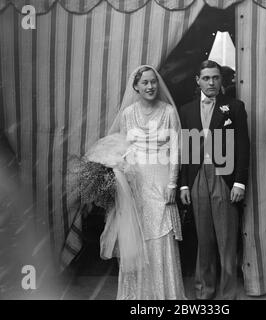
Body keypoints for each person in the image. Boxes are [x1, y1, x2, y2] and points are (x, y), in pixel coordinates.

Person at [84, 65, 185, 300]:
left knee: (160, 234)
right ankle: (138, 296)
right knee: (137, 235)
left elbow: (176, 150)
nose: (150, 86)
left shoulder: (168, 111)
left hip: (160, 182)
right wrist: (119, 174)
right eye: (145, 83)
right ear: (136, 87)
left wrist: (172, 184)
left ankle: (165, 295)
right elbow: (124, 147)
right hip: (135, 183)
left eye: (153, 82)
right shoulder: (128, 113)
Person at [179, 60, 250, 299]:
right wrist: (185, 183)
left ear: (222, 80)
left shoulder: (235, 107)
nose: (211, 82)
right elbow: (187, 148)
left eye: (215, 77)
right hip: (198, 175)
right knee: (204, 239)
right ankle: (204, 293)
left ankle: (228, 295)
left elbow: (242, 147)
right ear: (197, 81)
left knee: (227, 240)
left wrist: (239, 183)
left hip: (224, 177)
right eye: (206, 78)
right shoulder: (187, 110)